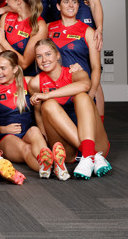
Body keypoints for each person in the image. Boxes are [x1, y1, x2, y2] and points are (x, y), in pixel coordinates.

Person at [28, 39, 110, 180]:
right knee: (48, 105)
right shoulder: (35, 83)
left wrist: (48, 94)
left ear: (57, 55)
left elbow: (85, 85)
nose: (44, 59)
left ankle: (89, 153)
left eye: (48, 54)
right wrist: (45, 145)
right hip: (67, 149)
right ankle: (91, 155)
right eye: (39, 56)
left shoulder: (75, 72)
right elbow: (39, 115)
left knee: (83, 97)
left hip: (95, 140)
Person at [0, 51, 69, 180]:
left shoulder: (28, 82)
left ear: (15, 69)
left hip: (27, 131)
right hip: (6, 136)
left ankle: (50, 164)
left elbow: (58, 81)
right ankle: (54, 167)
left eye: (3, 68)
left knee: (35, 131)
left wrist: (73, 70)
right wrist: (3, 129)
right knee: (27, 149)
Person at [48, 0, 104, 118]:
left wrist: (91, 93)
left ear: (79, 6)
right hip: (57, 90)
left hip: (80, 89)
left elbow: (95, 67)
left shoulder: (89, 32)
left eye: (74, 2)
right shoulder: (48, 28)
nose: (71, 5)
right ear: (58, 6)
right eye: (66, 2)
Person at [0, 0, 47, 76]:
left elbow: (24, 64)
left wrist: (3, 41)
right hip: (6, 74)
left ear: (18, 1)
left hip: (27, 77)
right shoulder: (6, 17)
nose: (6, 2)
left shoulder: (39, 25)